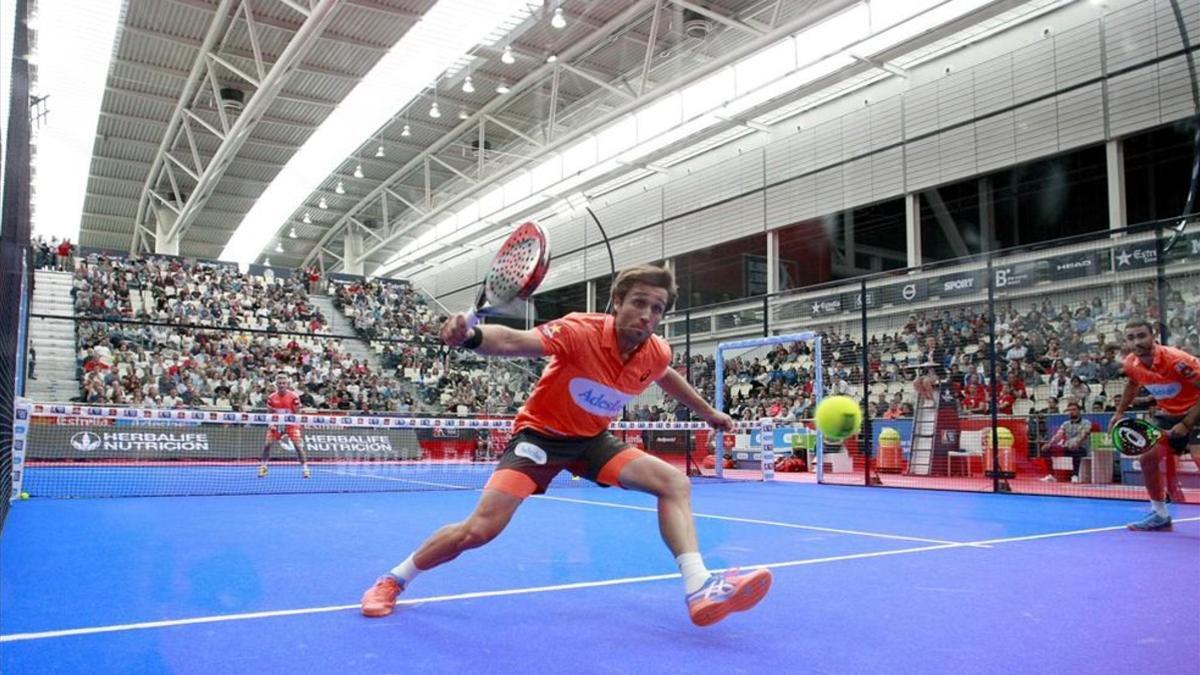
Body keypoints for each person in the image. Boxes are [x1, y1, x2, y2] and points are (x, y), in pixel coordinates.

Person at [360, 265, 770, 626]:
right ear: (617, 302)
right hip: (540, 436)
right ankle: (394, 579)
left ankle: (699, 586)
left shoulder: (656, 349)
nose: (646, 315)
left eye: (657, 308)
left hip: (591, 442)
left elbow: (665, 374)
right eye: (638, 302)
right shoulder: (580, 331)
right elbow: (512, 342)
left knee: (673, 483)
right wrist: (471, 337)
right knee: (479, 530)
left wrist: (708, 412)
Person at [1109, 319, 1200, 530]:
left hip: (1196, 411)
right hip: (1168, 414)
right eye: (1131, 338)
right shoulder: (1131, 363)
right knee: (1147, 459)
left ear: (1153, 337)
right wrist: (1120, 412)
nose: (1137, 341)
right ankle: (1160, 515)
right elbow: (1132, 385)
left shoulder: (1178, 361)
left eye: (1142, 336)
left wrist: (1186, 424)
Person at [258, 374, 310, 478]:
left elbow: (297, 413)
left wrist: (291, 424)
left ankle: (305, 469)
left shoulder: (294, 396)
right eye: (280, 383)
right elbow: (269, 413)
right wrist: (272, 424)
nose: (282, 385)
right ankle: (263, 467)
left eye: (284, 383)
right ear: (276, 384)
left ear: (287, 384)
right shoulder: (271, 397)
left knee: (298, 447)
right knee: (267, 445)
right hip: (276, 424)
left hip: (291, 424)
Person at [1039, 401, 1091, 483]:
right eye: (1069, 410)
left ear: (1079, 411)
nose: (1071, 412)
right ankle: (1051, 475)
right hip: (1067, 448)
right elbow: (1058, 435)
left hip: (1081, 448)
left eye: (1074, 410)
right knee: (1046, 450)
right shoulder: (1065, 424)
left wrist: (1076, 443)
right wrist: (1049, 444)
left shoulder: (1086, 423)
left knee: (1076, 449)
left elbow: (1083, 435)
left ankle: (1075, 475)